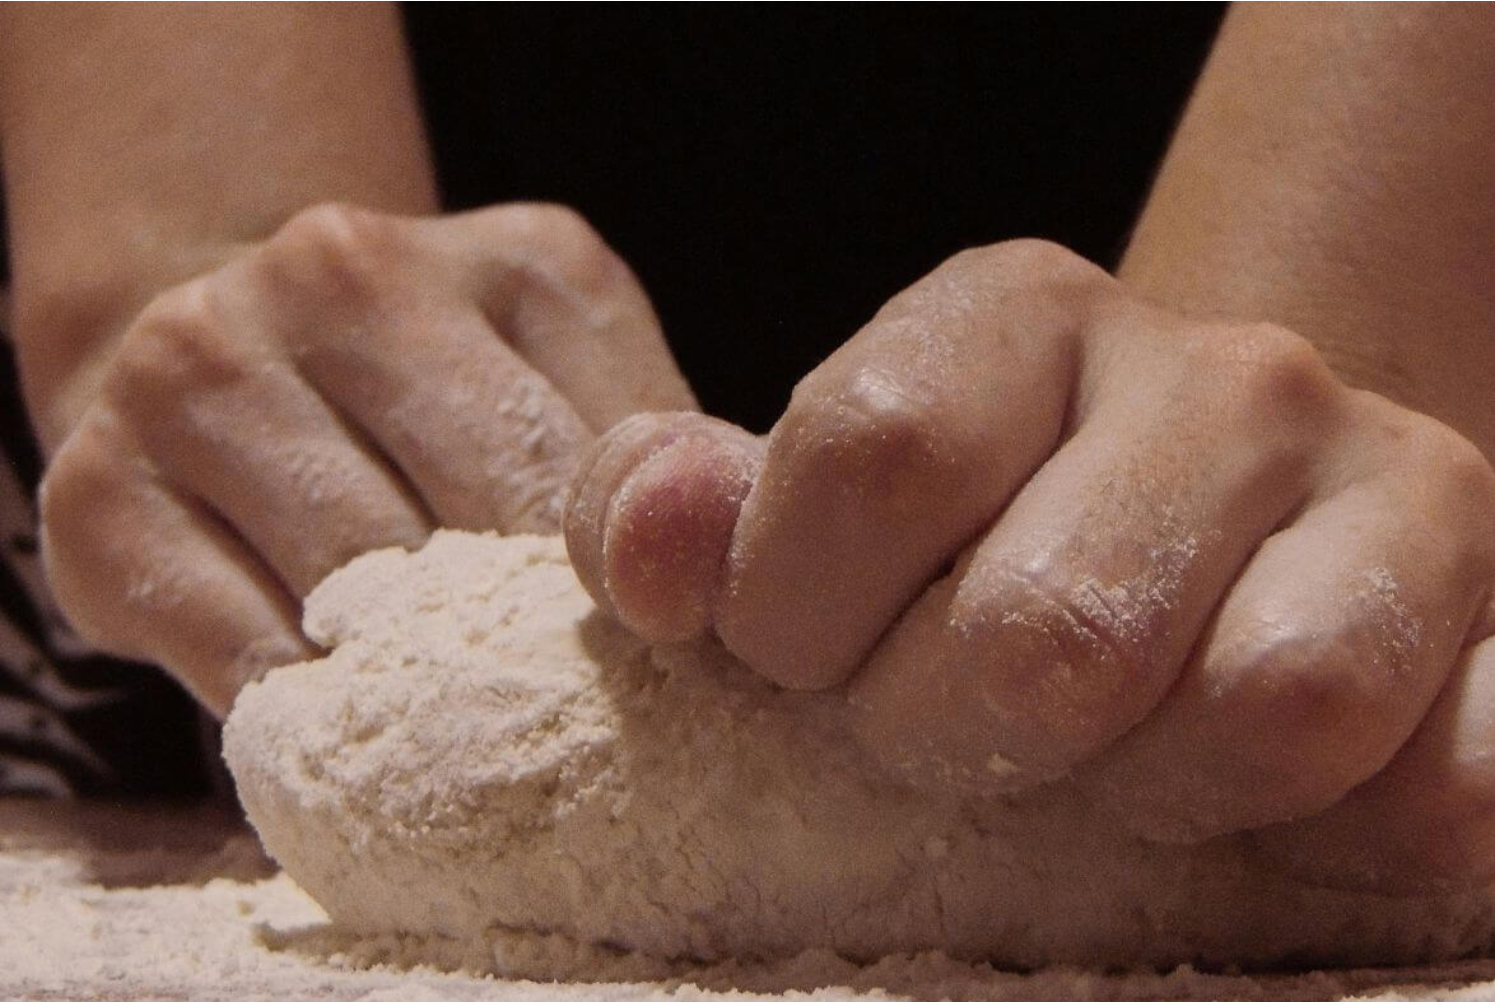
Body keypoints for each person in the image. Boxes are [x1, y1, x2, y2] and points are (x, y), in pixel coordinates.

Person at [0, 2, 1491, 894]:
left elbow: (1254, 496)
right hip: (170, 756)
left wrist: (1284, 517)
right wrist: (247, 357)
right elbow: (212, 256)